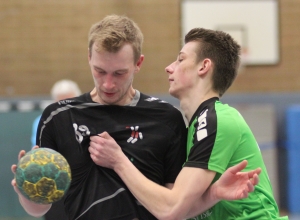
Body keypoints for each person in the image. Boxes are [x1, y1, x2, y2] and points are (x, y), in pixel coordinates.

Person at [11, 15, 260, 220]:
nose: (108, 83)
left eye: (119, 73)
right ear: (89, 58)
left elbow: (176, 206)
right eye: (100, 71)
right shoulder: (58, 117)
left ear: (138, 63)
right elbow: (39, 208)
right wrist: (27, 191)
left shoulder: (167, 119)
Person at [89, 28, 289, 219]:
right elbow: (182, 209)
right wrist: (214, 194)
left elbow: (170, 210)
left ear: (203, 67)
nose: (169, 67)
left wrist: (118, 161)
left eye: (180, 59)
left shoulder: (215, 120)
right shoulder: (196, 126)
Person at [31, 79, 81, 220]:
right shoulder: (42, 122)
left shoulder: (87, 121)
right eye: (60, 103)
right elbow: (39, 154)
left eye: (69, 103)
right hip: (55, 183)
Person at [31, 79, 82, 147]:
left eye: (70, 102)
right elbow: (39, 149)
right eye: (61, 103)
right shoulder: (42, 121)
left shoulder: (88, 119)